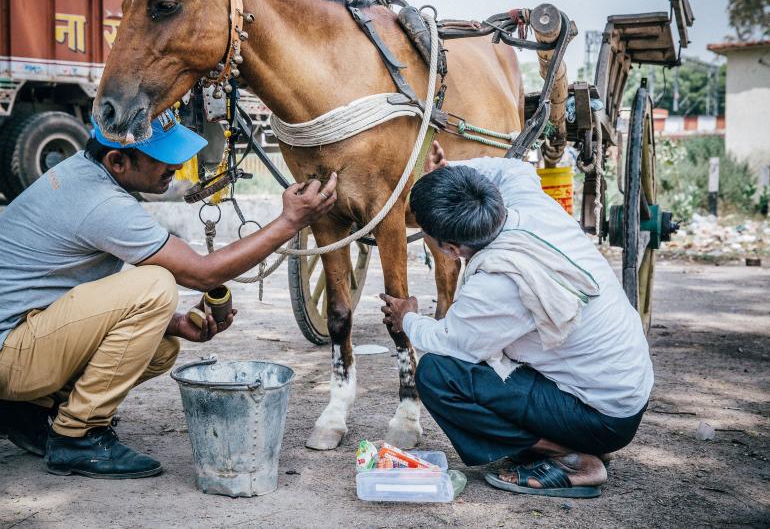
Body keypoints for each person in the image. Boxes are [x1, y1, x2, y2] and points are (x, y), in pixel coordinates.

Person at [0, 110, 337, 479]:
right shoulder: (103, 203)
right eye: (163, 159)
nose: (176, 166)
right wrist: (290, 221)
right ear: (118, 160)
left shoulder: (83, 174)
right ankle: (77, 437)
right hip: (9, 352)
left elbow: (67, 297)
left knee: (161, 350)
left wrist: (172, 324)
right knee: (156, 285)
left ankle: (28, 409)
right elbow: (202, 273)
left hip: (21, 337)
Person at [380, 141, 652, 499]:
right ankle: (564, 441)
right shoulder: (530, 203)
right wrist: (448, 170)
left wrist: (408, 318)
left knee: (437, 374)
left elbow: (452, 342)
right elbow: (513, 169)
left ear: (450, 249)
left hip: (603, 418)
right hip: (625, 390)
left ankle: (571, 459)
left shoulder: (498, 281)